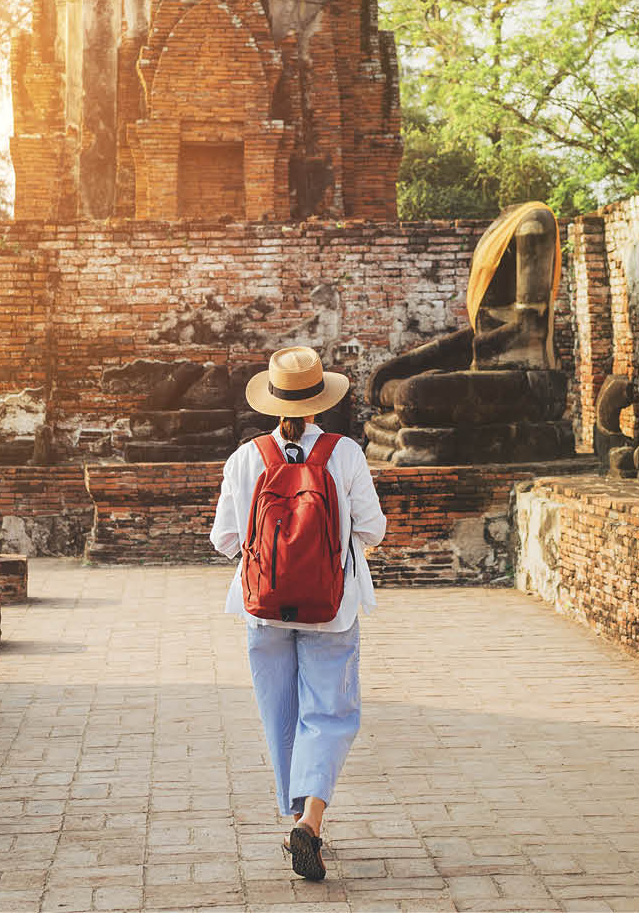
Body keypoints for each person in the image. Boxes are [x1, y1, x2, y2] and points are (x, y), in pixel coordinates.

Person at [210, 346, 386, 882]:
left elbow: (224, 540)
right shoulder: (345, 453)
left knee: (279, 712)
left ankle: (296, 819)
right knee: (328, 712)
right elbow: (373, 530)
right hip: (332, 607)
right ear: (319, 404)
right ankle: (309, 823)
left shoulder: (246, 458)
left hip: (262, 607)